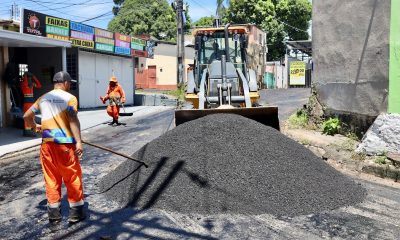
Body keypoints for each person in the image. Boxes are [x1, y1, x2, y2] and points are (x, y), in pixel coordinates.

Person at [23, 71, 85, 224]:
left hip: (47, 146)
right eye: (70, 83)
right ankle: (76, 213)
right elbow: (72, 119)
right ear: (65, 83)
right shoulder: (70, 98)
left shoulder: (42, 98)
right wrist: (78, 141)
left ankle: (54, 215)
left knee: (51, 178)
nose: (70, 86)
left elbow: (26, 116)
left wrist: (34, 127)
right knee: (72, 177)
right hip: (65, 145)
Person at [21, 68, 42, 136]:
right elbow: (25, 82)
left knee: (31, 116)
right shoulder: (24, 84)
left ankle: (30, 130)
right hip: (27, 102)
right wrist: (28, 76)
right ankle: (27, 132)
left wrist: (33, 77)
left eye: (30, 78)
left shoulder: (31, 84)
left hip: (31, 103)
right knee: (27, 117)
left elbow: (39, 85)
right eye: (29, 78)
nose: (30, 79)